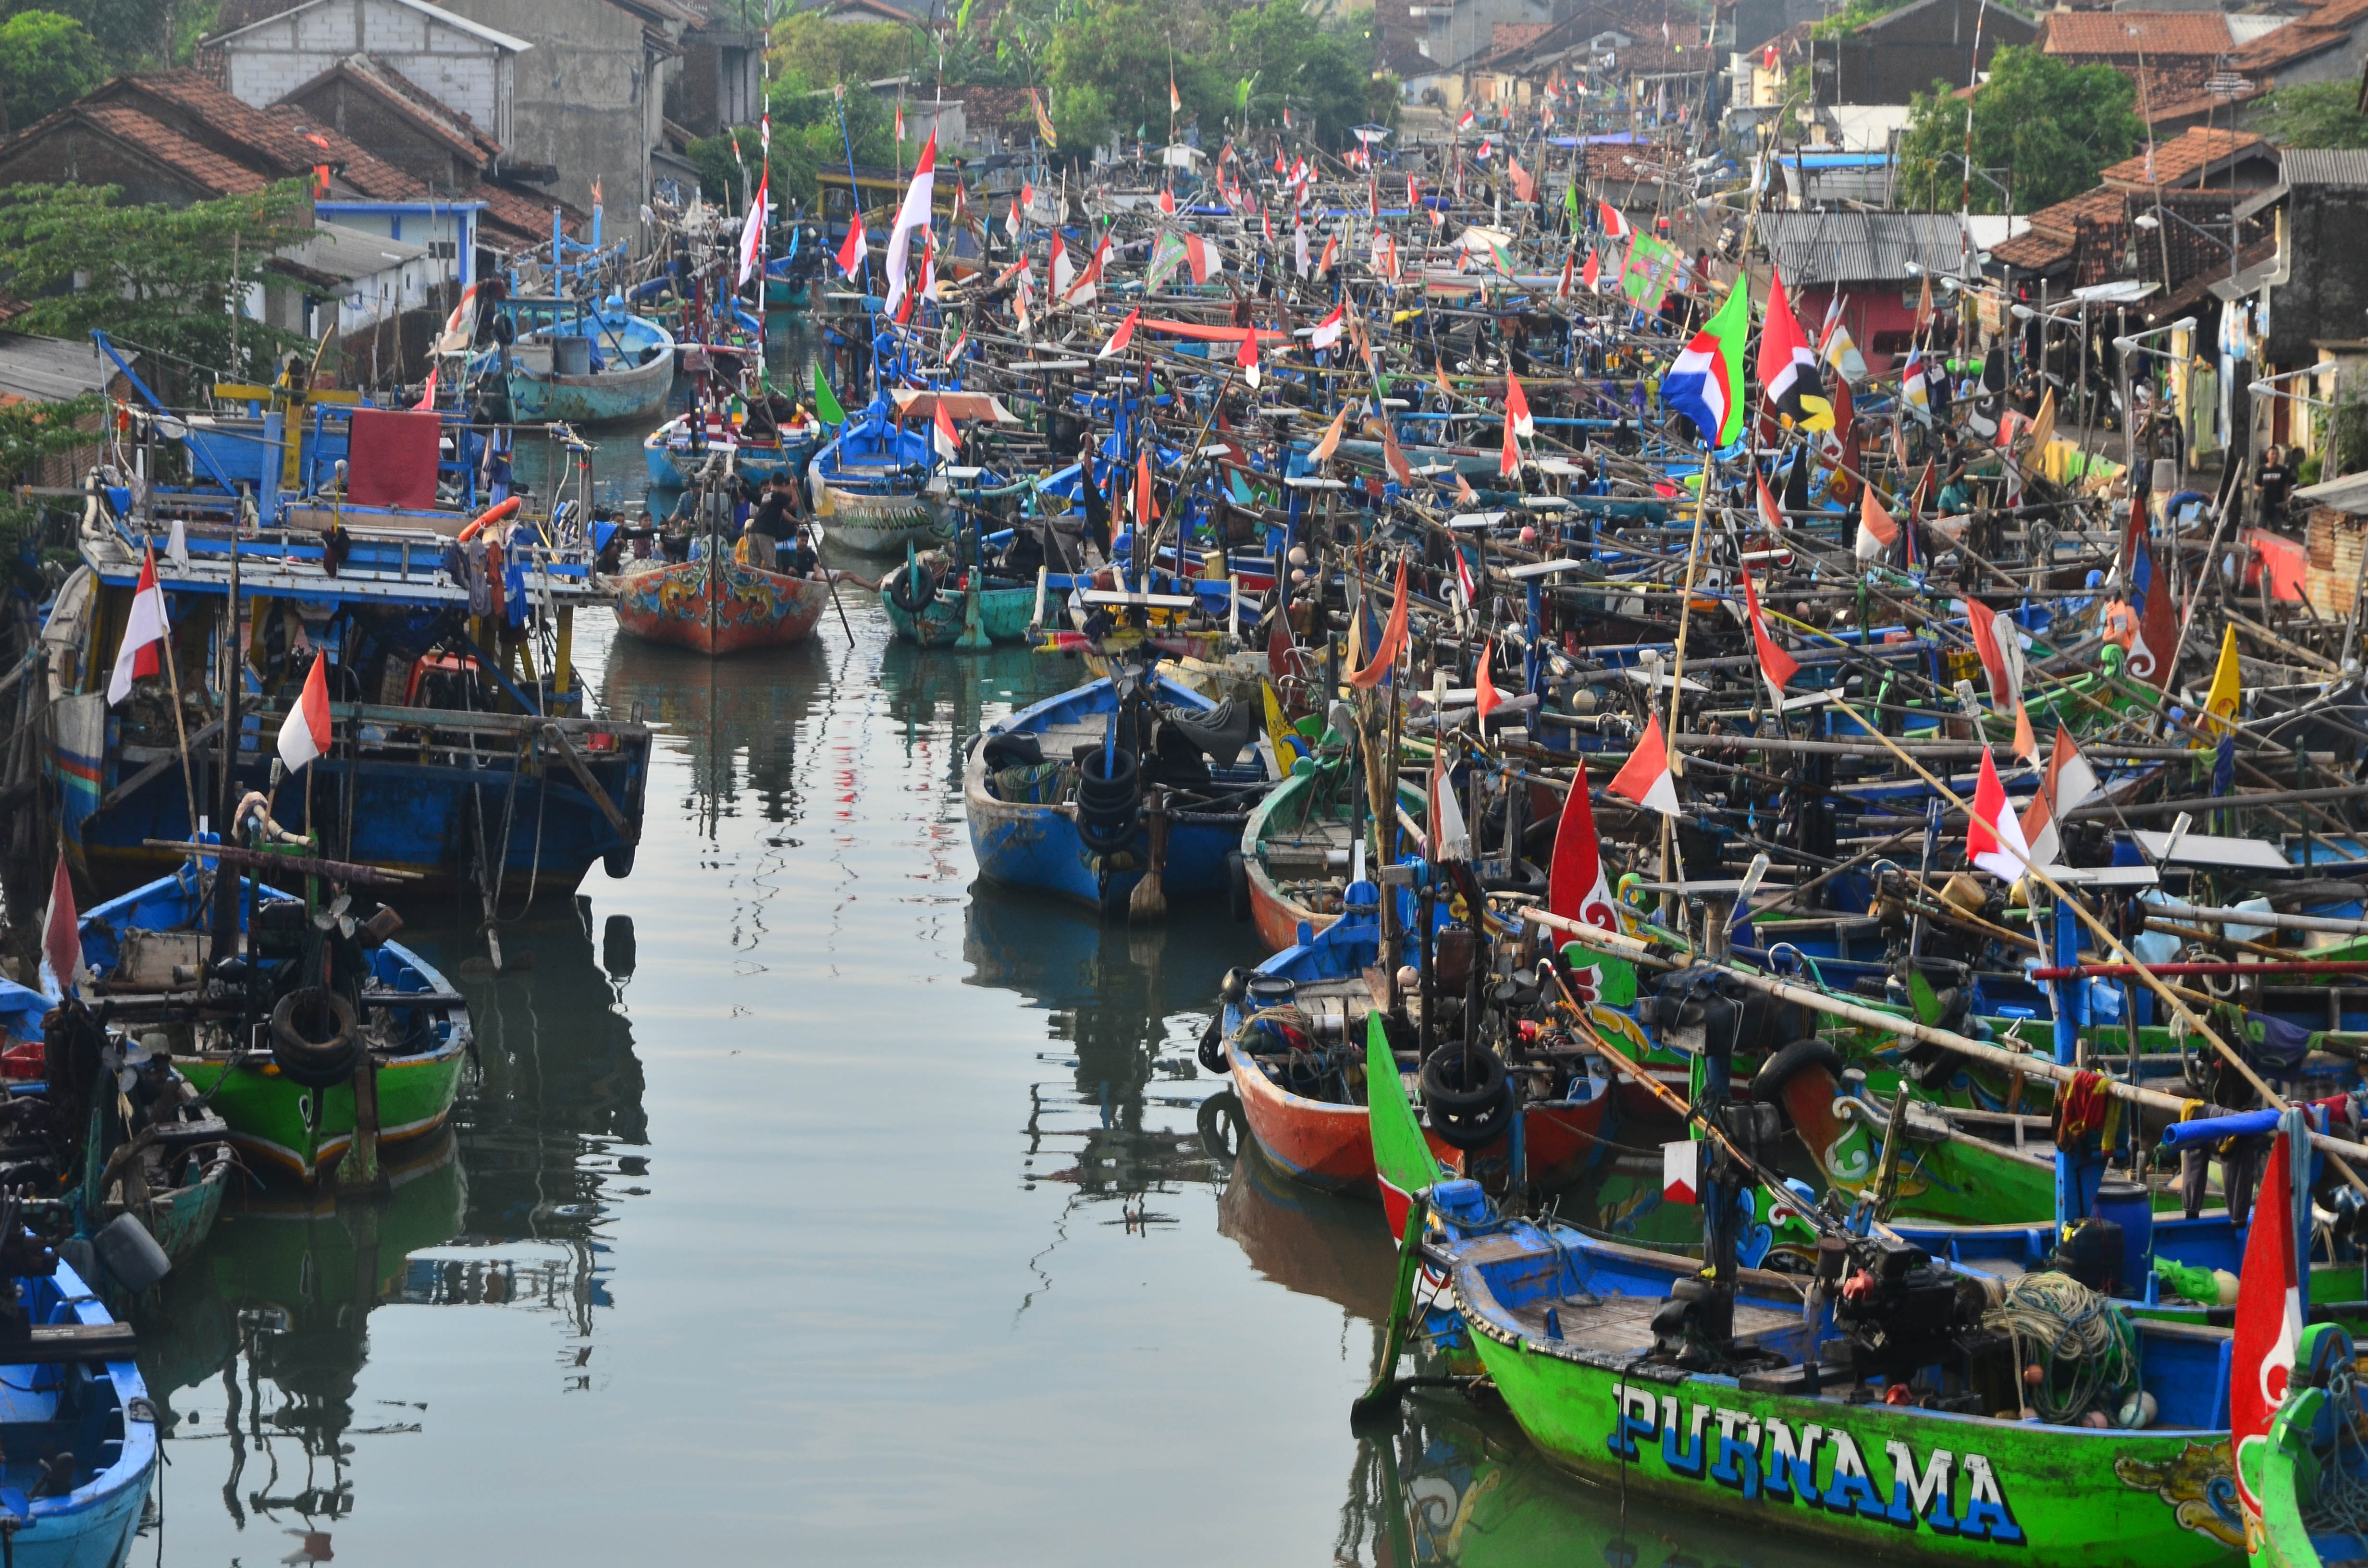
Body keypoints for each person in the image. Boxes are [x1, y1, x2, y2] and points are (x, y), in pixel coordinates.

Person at [2257, 444, 2294, 524]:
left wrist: (2286, 503)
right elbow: (2255, 484)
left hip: (2278, 505)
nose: (2275, 456)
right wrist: (2258, 489)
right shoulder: (2261, 469)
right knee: (2261, 529)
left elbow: (2286, 487)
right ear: (2268, 456)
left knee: (2277, 529)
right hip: (2264, 505)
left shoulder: (2283, 470)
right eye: (2273, 454)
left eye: (2277, 454)